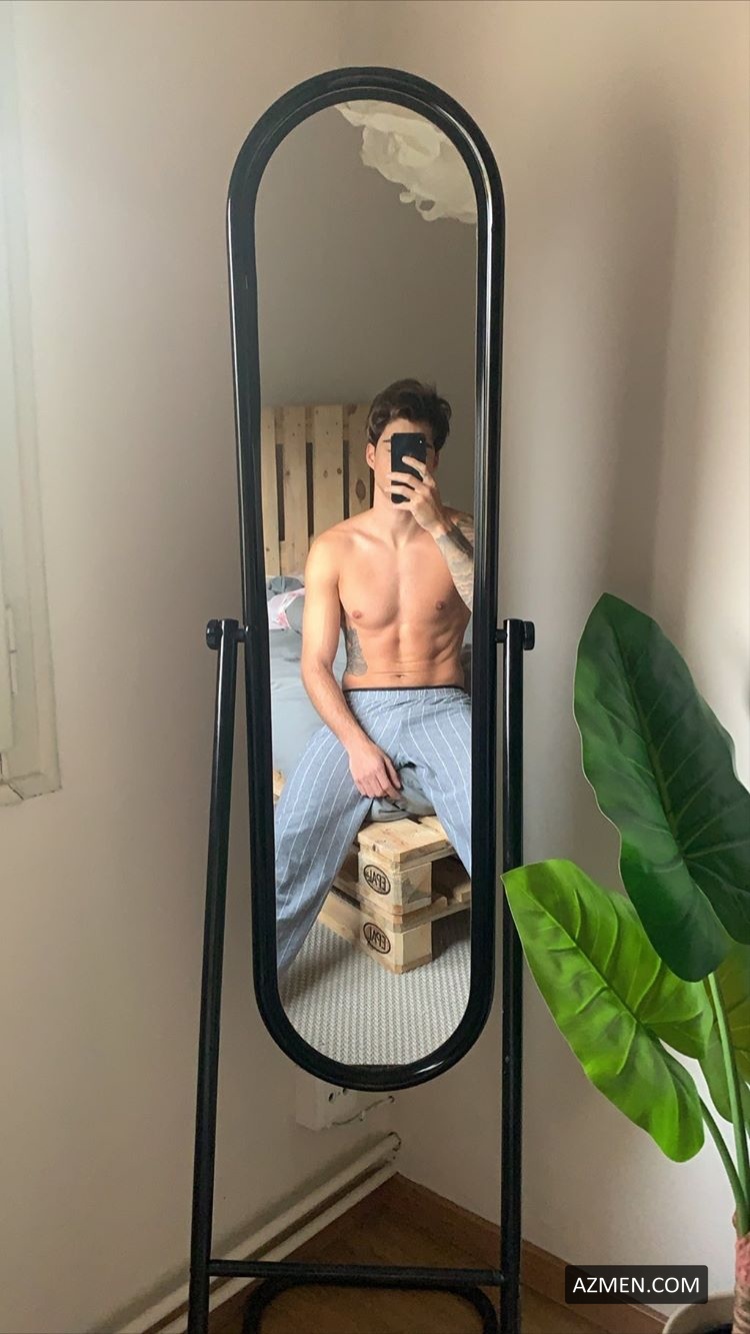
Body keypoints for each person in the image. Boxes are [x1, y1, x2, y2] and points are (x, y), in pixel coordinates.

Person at [275, 378, 474, 979]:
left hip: (443, 703)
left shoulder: (463, 533)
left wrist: (436, 526)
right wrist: (356, 746)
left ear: (434, 459)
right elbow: (315, 664)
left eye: (420, 448)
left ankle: (529, 984)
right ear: (371, 454)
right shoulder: (334, 548)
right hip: (360, 709)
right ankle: (255, 982)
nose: (406, 460)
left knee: (495, 830)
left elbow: (494, 614)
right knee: (288, 846)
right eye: (394, 446)